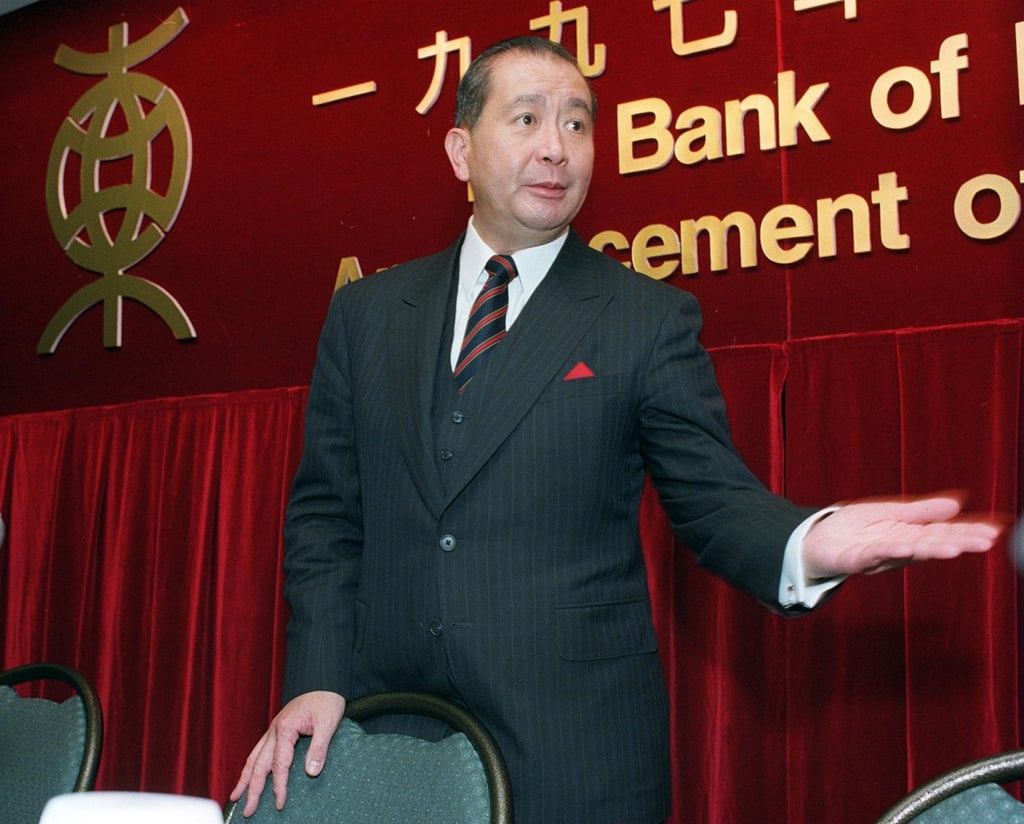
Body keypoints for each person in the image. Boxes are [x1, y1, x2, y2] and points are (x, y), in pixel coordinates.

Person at [231, 36, 1002, 823]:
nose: (554, 149)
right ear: (460, 151)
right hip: (386, 728)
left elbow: (714, 502)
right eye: (526, 118)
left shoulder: (642, 317)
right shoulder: (367, 315)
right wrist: (316, 675)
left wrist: (810, 540)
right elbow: (328, 516)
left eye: (577, 124)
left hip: (575, 745)